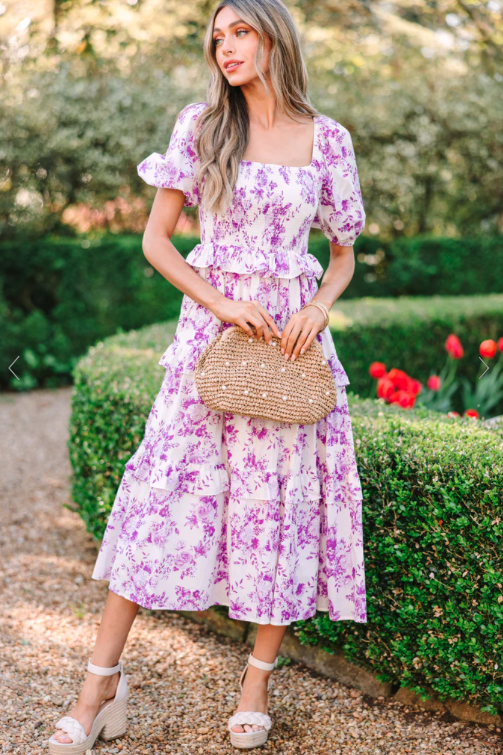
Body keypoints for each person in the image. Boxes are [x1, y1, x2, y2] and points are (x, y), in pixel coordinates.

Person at [49, 0, 367, 751]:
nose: (225, 48)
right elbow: (156, 242)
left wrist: (319, 306)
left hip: (290, 349)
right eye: (216, 37)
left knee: (276, 508)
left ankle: (256, 680)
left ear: (274, 37)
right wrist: (220, 301)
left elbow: (345, 251)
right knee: (159, 495)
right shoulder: (202, 125)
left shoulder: (327, 139)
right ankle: (98, 684)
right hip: (210, 338)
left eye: (240, 32)